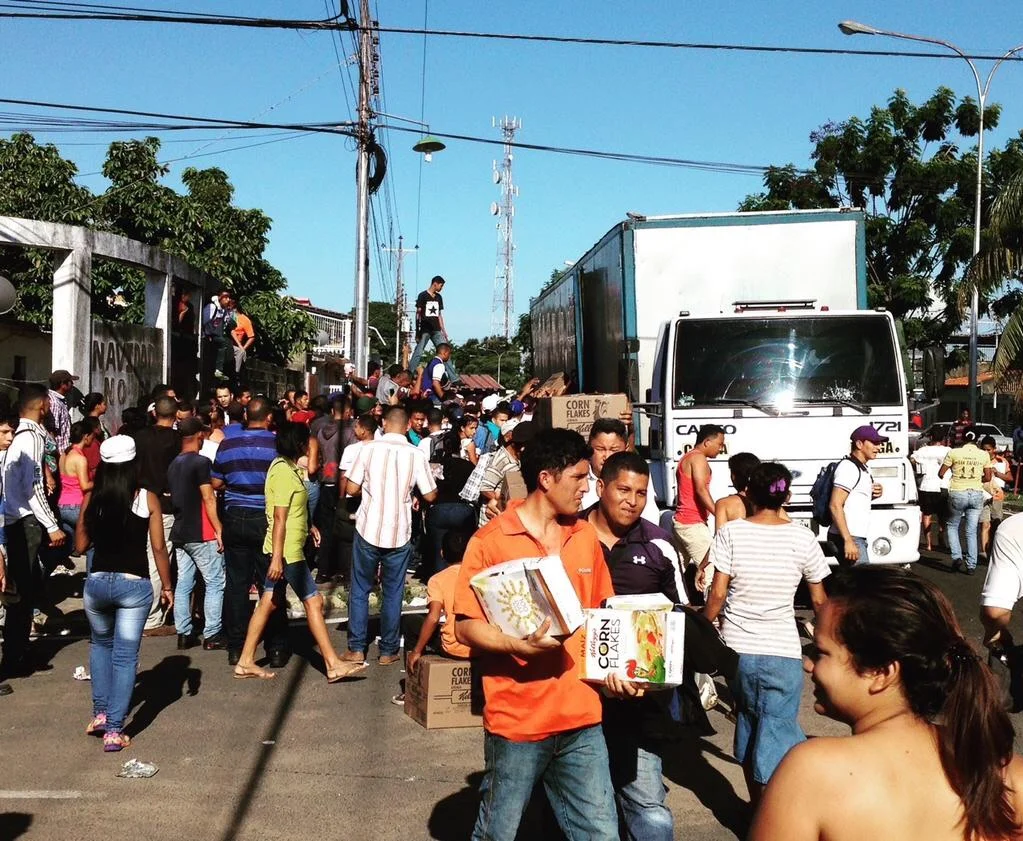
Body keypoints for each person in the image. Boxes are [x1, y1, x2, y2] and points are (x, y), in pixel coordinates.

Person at [453, 427, 636, 841]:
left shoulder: (584, 536)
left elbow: (604, 613)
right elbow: (464, 625)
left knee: (601, 835)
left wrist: (623, 670)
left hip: (582, 718)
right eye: (579, 477)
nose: (587, 487)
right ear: (546, 479)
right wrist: (515, 645)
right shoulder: (490, 542)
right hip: (518, 722)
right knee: (498, 833)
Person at [751, 567, 1023, 841]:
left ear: (882, 673)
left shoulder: (813, 773)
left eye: (821, 652)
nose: (809, 665)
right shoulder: (1009, 778)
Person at [704, 462, 830, 806]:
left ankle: (756, 810)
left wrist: (701, 626)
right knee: (778, 731)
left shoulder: (732, 533)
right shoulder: (802, 537)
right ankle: (773, 815)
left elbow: (717, 594)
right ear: (786, 496)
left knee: (748, 722)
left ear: (748, 494)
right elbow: (820, 601)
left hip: (737, 651)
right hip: (783, 651)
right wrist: (827, 645)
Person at [582, 450, 688, 841]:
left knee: (648, 809)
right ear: (600, 487)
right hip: (578, 702)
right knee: (584, 812)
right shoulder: (568, 537)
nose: (632, 501)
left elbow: (679, 617)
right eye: (623, 490)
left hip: (641, 704)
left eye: (641, 493)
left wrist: (654, 674)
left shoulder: (659, 544)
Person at [233, 423, 364, 681]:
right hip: (287, 552)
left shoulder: (288, 469)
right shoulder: (283, 472)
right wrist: (276, 559)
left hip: (285, 548)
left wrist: (309, 526)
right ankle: (332, 663)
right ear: (300, 445)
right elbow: (279, 517)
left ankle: (245, 661)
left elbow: (291, 510)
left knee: (269, 601)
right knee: (313, 601)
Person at [76, 435, 173, 752]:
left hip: (97, 584)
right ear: (134, 464)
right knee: (125, 657)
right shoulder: (147, 498)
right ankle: (115, 731)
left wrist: (90, 515)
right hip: (133, 585)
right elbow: (158, 547)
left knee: (100, 646)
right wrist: (167, 586)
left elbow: (80, 545)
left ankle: (101, 714)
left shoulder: (94, 498)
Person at [342, 406, 437, 666]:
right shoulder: (416, 454)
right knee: (393, 592)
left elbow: (351, 488)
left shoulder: (367, 450)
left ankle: (356, 648)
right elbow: (430, 494)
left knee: (360, 590)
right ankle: (388, 650)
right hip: (400, 532)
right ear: (407, 426)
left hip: (368, 528)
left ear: (383, 423)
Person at [211, 396, 288, 667]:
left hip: (234, 515)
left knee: (237, 584)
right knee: (272, 583)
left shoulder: (228, 444)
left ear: (246, 417)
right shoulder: (277, 445)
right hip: (265, 517)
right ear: (269, 417)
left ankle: (236, 647)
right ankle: (276, 648)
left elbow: (216, 482)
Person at [1, 384, 67, 680]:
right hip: (23, 521)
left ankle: (18, 650)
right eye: (49, 404)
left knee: (23, 590)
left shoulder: (24, 436)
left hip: (16, 519)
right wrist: (51, 525)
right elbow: (34, 488)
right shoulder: (31, 438)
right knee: (22, 593)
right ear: (42, 405)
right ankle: (15, 655)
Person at [393, 528, 474, 705]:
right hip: (480, 647)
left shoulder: (438, 579)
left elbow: (434, 617)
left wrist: (417, 650)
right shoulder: (479, 575)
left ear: (442, 553)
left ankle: (411, 687)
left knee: (410, 622)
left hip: (453, 647)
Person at [167, 418, 226, 651]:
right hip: (201, 531)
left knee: (184, 582)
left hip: (180, 531)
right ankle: (212, 633)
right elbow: (208, 497)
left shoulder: (174, 463)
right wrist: (219, 528)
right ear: (199, 435)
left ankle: (184, 632)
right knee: (215, 581)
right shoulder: (201, 462)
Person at [131, 395, 181, 636]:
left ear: (154, 413)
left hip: (137, 500)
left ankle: (136, 611)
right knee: (158, 556)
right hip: (164, 503)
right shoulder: (177, 440)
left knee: (140, 555)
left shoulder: (139, 437)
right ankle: (151, 616)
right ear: (176, 415)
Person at [672, 424, 725, 584]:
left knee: (674, 571)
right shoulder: (698, 458)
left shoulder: (688, 457)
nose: (721, 448)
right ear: (707, 442)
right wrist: (719, 513)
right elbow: (701, 490)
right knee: (710, 572)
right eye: (719, 444)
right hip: (691, 523)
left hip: (684, 521)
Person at [580, 418, 660, 524]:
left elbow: (650, 515)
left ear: (626, 448)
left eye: (614, 450)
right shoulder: (578, 475)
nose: (607, 456)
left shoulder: (637, 473)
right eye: (600, 449)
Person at [828, 425, 886, 565]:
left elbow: (852, 500)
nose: (879, 447)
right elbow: (835, 505)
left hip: (855, 536)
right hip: (848, 537)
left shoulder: (862, 468)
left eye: (879, 443)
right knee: (864, 577)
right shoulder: (848, 468)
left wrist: (873, 495)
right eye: (874, 443)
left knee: (852, 577)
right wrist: (848, 540)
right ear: (859, 444)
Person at [939, 430, 993, 575]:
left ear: (962, 439)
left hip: (957, 492)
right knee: (971, 530)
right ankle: (971, 565)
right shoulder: (984, 454)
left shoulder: (954, 452)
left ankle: (957, 556)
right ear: (977, 440)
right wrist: (976, 479)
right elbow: (988, 477)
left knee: (952, 526)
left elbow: (941, 473)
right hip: (976, 493)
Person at [980, 511, 1023, 653]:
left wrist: (994, 632)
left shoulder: (1014, 527)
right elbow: (994, 611)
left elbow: (994, 612)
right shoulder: (1014, 528)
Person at [58, 421, 95, 571]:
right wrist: (100, 481)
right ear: (86, 436)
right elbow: (85, 485)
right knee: (91, 543)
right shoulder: (80, 459)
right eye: (92, 436)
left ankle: (41, 573)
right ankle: (92, 579)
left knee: (67, 546)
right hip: (77, 507)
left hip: (62, 505)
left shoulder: (64, 454)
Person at [910, 436, 951, 552]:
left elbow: (912, 458)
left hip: (926, 485)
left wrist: (918, 466)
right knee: (942, 515)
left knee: (927, 514)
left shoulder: (923, 450)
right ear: (942, 439)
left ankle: (928, 543)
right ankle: (941, 537)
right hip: (943, 485)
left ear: (931, 438)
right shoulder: (947, 450)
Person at [980, 435, 1011, 559]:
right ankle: (984, 551)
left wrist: (997, 473)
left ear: (994, 449)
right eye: (984, 449)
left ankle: (992, 548)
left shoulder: (1001, 461)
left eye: (988, 450)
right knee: (984, 523)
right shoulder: (979, 460)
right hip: (983, 495)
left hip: (997, 496)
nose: (986, 452)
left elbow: (1009, 478)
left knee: (996, 524)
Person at [410, 275, 449, 372]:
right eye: (441, 285)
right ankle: (410, 372)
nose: (441, 288)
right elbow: (418, 314)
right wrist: (418, 332)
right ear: (435, 284)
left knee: (445, 351)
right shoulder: (422, 295)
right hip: (425, 329)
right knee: (419, 352)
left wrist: (443, 331)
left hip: (436, 329)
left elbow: (439, 315)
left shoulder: (439, 297)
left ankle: (454, 377)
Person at [202, 289, 235, 380]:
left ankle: (219, 370)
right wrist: (204, 334)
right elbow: (202, 321)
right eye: (226, 298)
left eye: (229, 298)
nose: (228, 300)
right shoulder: (212, 307)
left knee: (225, 344)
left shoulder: (223, 310)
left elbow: (226, 321)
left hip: (213, 335)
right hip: (206, 334)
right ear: (220, 298)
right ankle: (216, 370)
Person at [47, 369, 77, 455]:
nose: (72, 384)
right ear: (63, 384)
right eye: (70, 381)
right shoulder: (54, 402)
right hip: (59, 453)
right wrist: (56, 455)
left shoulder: (60, 400)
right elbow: (52, 431)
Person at [230, 301, 255, 378]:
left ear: (235, 309)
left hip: (236, 345)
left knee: (242, 353)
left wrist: (243, 347)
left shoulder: (245, 320)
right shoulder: (228, 316)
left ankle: (237, 375)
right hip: (227, 342)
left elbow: (251, 337)